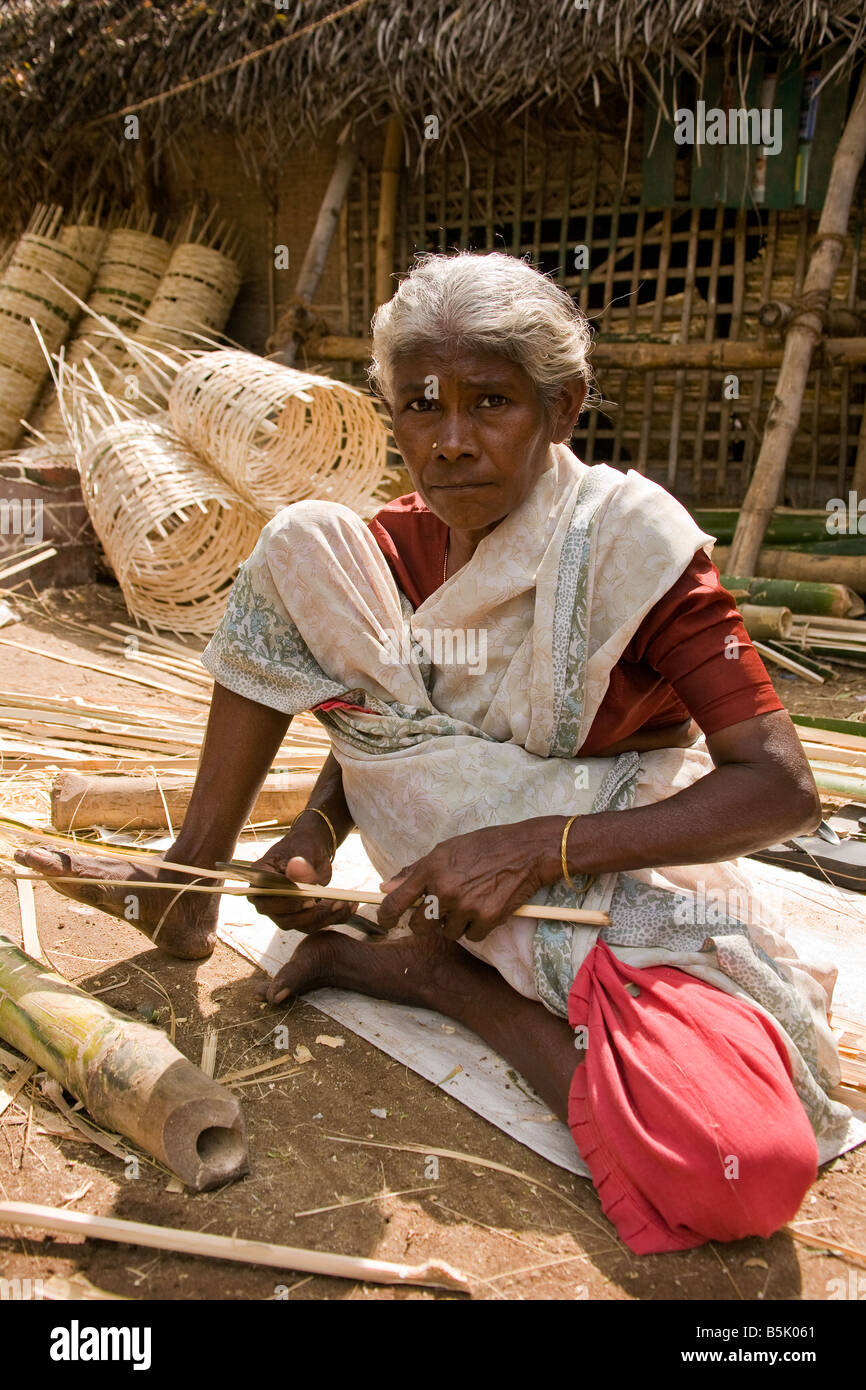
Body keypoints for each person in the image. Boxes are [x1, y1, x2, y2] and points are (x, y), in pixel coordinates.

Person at [20, 252, 863, 1254]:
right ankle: (188, 878)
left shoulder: (634, 548)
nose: (450, 441)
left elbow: (780, 787)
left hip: (586, 884)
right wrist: (315, 827)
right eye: (420, 407)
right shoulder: (389, 549)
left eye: (492, 402)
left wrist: (535, 845)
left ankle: (432, 978)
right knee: (299, 539)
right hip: (430, 871)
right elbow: (386, 730)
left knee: (741, 1173)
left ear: (563, 408)